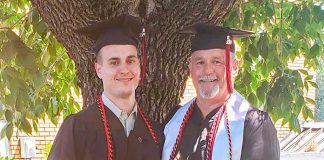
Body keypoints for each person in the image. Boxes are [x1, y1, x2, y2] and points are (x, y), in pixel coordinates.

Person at [48, 15, 164, 160]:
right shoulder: (78, 128)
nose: (124, 70)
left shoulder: (156, 134)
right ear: (99, 70)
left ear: (139, 66)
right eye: (114, 62)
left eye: (130, 61)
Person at [162, 23, 280, 160]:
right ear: (190, 68)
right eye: (200, 62)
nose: (207, 70)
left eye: (216, 62)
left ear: (234, 67)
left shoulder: (253, 125)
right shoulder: (174, 120)